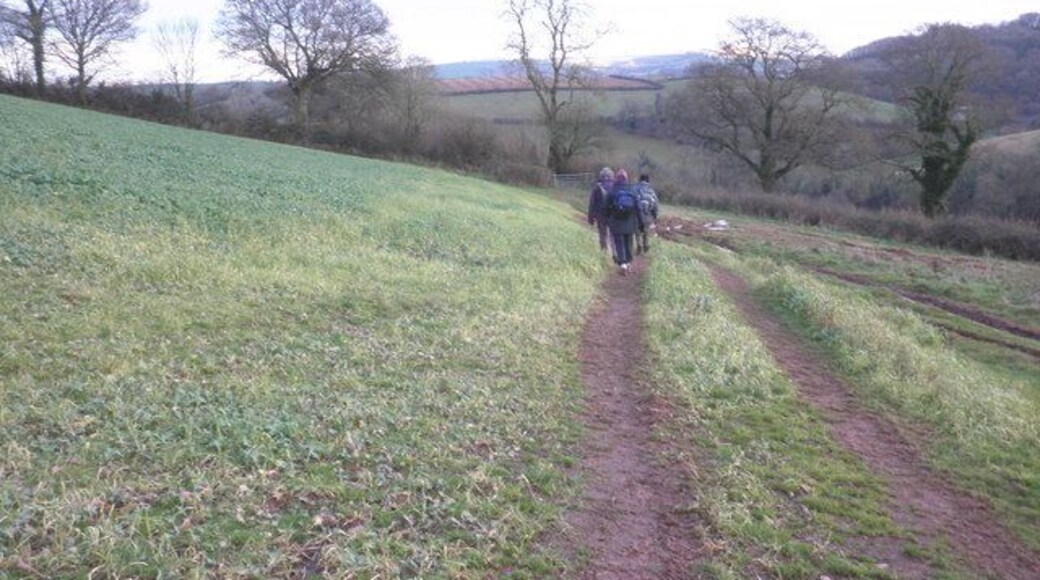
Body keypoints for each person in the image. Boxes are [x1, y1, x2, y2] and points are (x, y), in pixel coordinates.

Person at [605, 169, 644, 274]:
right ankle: (628, 263)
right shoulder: (632, 190)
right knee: (629, 243)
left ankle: (623, 265)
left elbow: (605, 208)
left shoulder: (612, 191)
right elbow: (638, 208)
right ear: (627, 179)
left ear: (616, 179)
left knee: (619, 243)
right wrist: (641, 223)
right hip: (630, 223)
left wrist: (607, 220)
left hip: (616, 222)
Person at [587, 167, 614, 255]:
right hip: (612, 214)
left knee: (603, 233)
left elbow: (592, 203)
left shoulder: (596, 187)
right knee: (613, 234)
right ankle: (615, 252)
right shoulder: (615, 186)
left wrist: (590, 217)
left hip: (600, 215)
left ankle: (604, 252)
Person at [634, 173, 659, 254]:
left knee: (637, 231)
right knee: (646, 230)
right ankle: (646, 245)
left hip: (637, 213)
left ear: (640, 180)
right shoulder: (651, 191)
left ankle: (639, 245)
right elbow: (655, 204)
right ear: (648, 181)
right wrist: (654, 216)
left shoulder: (635, 189)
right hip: (648, 213)